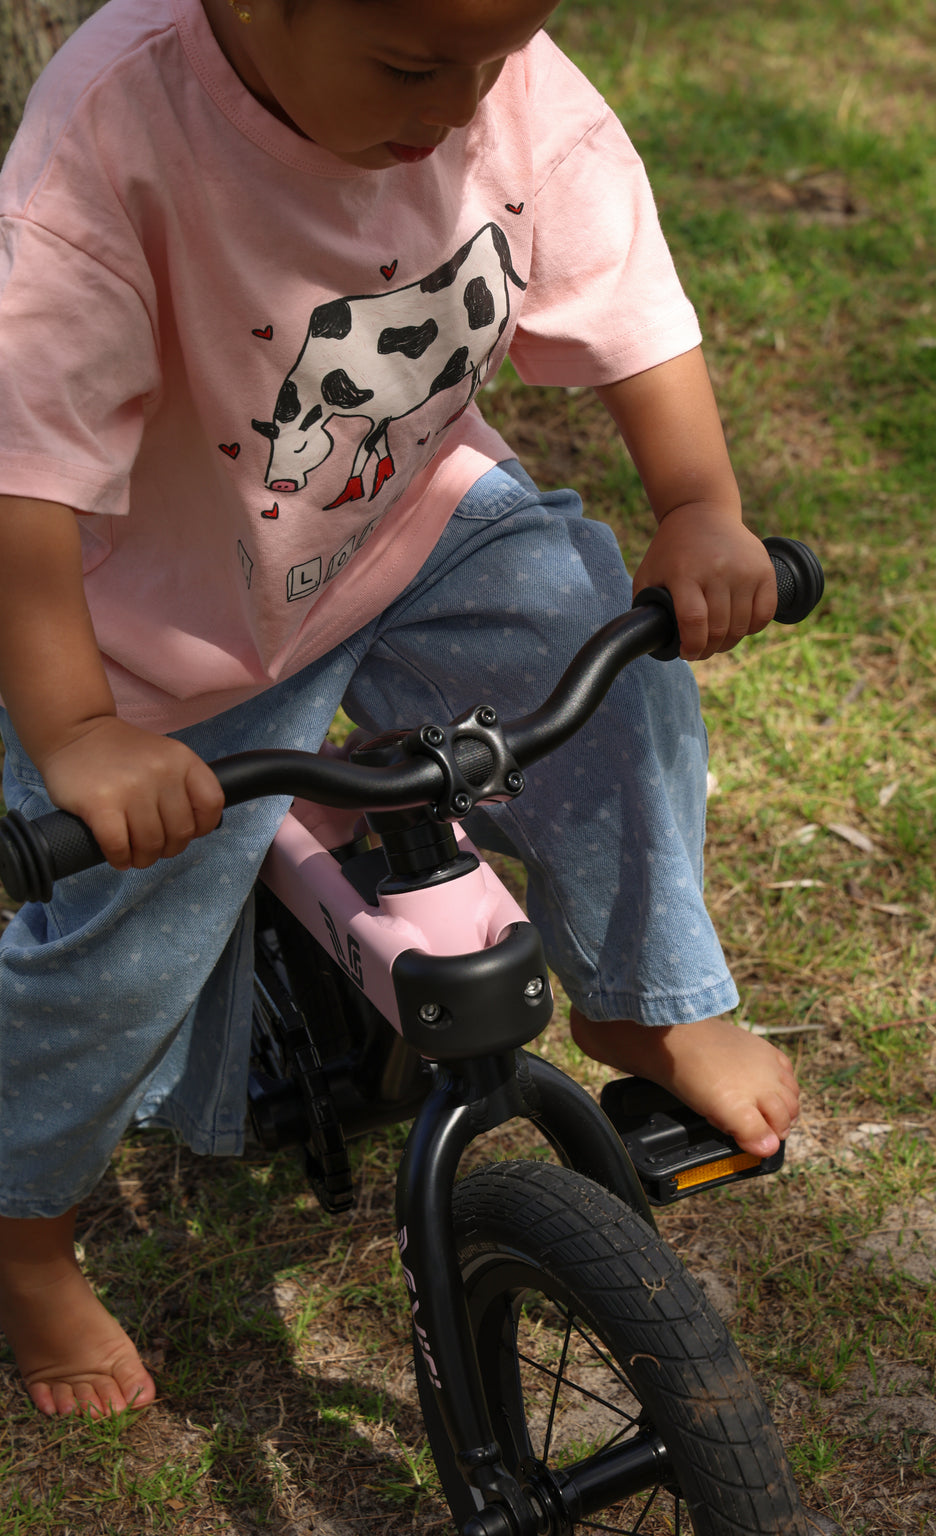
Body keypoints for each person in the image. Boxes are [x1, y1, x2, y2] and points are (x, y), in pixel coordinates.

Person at [0, 0, 800, 1420]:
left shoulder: (492, 74)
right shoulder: (114, 143)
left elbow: (621, 281)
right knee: (111, 959)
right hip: (166, 630)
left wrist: (697, 505)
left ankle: (646, 1004)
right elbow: (23, 477)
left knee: (607, 664)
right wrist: (76, 731)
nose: (462, 104)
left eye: (495, 60)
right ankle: (26, 1242)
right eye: (414, 66)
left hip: (407, 523)